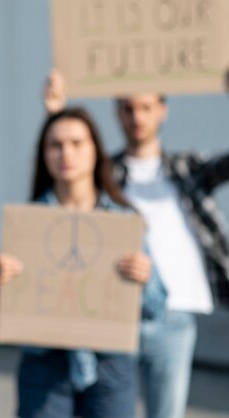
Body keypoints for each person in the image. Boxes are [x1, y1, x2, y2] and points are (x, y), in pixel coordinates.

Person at [45, 69, 229, 418]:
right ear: (117, 112)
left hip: (174, 317)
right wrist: (56, 112)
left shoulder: (186, 169)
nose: (137, 117)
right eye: (128, 108)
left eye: (146, 107)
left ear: (163, 110)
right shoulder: (105, 174)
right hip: (116, 315)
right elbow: (65, 172)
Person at [0, 107, 165, 418]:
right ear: (44, 154)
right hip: (44, 365)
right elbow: (2, 314)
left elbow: (157, 306)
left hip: (111, 364)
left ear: (95, 151)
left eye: (76, 143)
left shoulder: (123, 222)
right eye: (55, 145)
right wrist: (4, 282)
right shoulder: (27, 226)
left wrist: (146, 278)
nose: (65, 153)